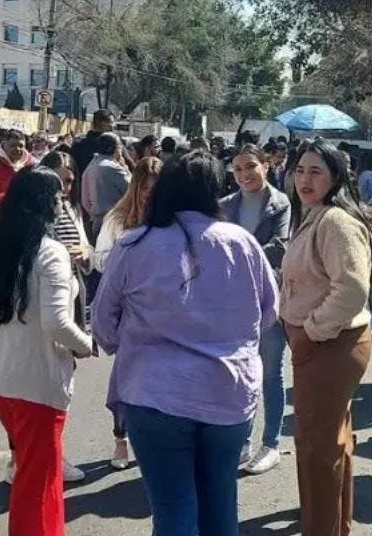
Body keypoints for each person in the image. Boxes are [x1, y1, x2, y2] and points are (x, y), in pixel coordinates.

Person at [92, 152, 277, 535]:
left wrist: (129, 344)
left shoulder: (134, 245)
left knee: (174, 510)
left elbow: (103, 323)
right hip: (229, 395)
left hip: (155, 396)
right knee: (220, 505)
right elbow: (269, 311)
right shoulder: (242, 243)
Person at [0, 168, 93, 536]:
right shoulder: (51, 253)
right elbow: (56, 322)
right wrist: (87, 345)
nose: (62, 203)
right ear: (44, 203)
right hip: (36, 384)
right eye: (57, 197)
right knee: (37, 483)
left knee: (39, 473)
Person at [281, 139, 372, 536]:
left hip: (329, 344)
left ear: (336, 176)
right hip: (322, 343)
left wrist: (312, 331)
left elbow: (353, 288)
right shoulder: (315, 214)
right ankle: (335, 527)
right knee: (331, 443)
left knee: (318, 449)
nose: (305, 179)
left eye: (316, 171)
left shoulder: (336, 221)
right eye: (300, 170)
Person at [221, 145, 292, 475]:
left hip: (267, 301)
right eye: (237, 169)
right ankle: (243, 440)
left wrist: (235, 254)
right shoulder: (224, 206)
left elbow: (279, 250)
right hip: (232, 304)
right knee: (238, 374)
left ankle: (271, 443)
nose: (244, 174)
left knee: (271, 373)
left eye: (250, 166)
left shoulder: (280, 204)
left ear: (266, 165)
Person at [90, 155, 162, 470]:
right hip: (127, 309)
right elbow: (100, 260)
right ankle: (121, 439)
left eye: (156, 187)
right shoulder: (117, 219)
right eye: (145, 186)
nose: (149, 193)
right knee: (124, 376)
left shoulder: (168, 219)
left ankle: (150, 440)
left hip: (160, 310)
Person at [80, 133, 131, 235]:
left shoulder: (90, 166)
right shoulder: (114, 168)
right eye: (120, 146)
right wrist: (125, 167)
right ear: (115, 148)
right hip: (115, 223)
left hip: (97, 221)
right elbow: (132, 190)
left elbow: (85, 201)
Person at [71, 109, 116, 200]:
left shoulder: (77, 145)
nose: (114, 126)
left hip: (82, 194)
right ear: (102, 123)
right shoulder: (114, 145)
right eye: (111, 122)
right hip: (106, 195)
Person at [0, 129, 35, 203]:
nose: (17, 149)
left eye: (21, 146)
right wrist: (12, 196)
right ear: (3, 144)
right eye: (13, 145)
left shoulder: (31, 164)